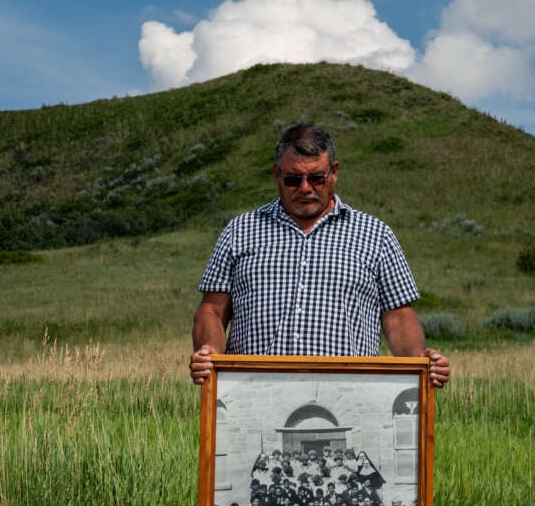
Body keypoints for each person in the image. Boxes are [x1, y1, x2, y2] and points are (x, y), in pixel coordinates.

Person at [189, 123, 450, 387]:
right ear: (277, 174)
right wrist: (208, 350)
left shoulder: (375, 234)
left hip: (348, 396)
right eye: (293, 179)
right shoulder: (240, 231)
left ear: (334, 172)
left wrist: (419, 361)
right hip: (253, 394)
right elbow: (211, 310)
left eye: (316, 178)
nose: (305, 188)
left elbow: (398, 316)